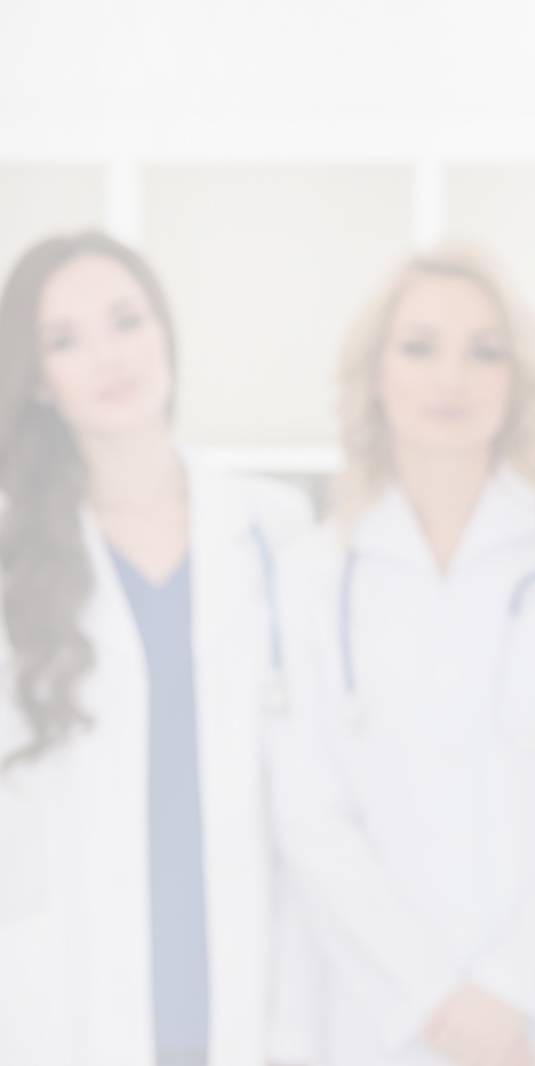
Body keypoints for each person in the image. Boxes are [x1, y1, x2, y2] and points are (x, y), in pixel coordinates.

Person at [267, 245, 535, 1066]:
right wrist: (434, 1000)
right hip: (392, 1016)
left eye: (485, 350)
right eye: (419, 346)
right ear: (375, 373)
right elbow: (308, 809)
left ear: (518, 380)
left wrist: (512, 989)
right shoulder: (316, 570)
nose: (453, 377)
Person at [0, 232, 314, 1066]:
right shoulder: (12, 554)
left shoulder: (276, 532)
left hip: (252, 964)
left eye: (126, 320)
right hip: (65, 987)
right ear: (36, 382)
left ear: (166, 332)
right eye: (64, 341)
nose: (109, 356)